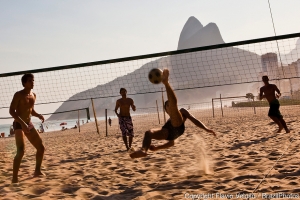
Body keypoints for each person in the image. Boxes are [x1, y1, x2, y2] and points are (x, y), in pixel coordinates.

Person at [130, 69, 216, 158]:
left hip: (179, 126)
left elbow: (194, 120)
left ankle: (166, 83)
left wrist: (206, 129)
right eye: (167, 106)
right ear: (166, 111)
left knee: (175, 108)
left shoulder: (181, 111)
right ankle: (143, 150)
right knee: (148, 133)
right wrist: (157, 148)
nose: (170, 106)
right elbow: (171, 143)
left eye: (170, 104)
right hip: (168, 133)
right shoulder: (168, 123)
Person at [9, 73, 45, 183]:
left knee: (41, 148)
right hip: (19, 124)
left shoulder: (33, 95)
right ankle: (14, 178)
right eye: (29, 81)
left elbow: (30, 110)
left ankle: (37, 171)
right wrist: (23, 124)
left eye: (33, 80)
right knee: (21, 151)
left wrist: (38, 115)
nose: (32, 82)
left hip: (29, 123)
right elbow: (11, 111)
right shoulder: (18, 95)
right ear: (24, 83)